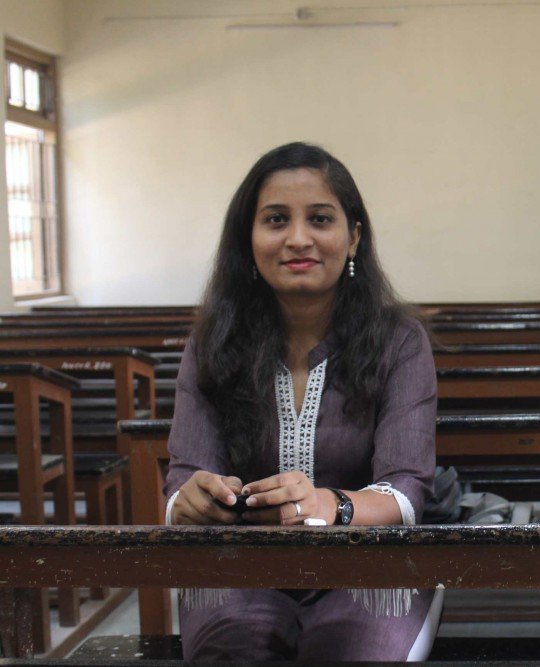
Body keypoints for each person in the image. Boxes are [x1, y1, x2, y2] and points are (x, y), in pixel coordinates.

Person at [164, 142, 438, 661]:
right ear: (247, 240)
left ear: (353, 237)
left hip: (371, 566)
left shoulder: (399, 340)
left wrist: (329, 505)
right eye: (275, 220)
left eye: (319, 219)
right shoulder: (212, 344)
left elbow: (406, 492)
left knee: (353, 651)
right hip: (240, 566)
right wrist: (193, 500)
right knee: (234, 647)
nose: (297, 239)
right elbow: (183, 481)